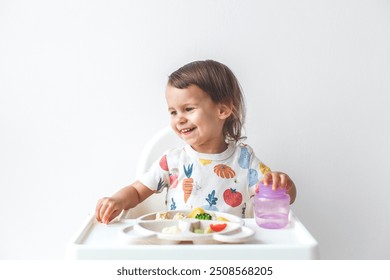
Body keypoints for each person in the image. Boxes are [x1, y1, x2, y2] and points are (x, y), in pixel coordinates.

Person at [96, 60, 296, 224]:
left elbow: (281, 195)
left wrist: (283, 184)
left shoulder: (244, 160)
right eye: (173, 111)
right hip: (182, 247)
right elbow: (136, 192)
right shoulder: (172, 161)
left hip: (230, 249)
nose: (179, 119)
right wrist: (117, 200)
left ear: (223, 110)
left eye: (189, 109)